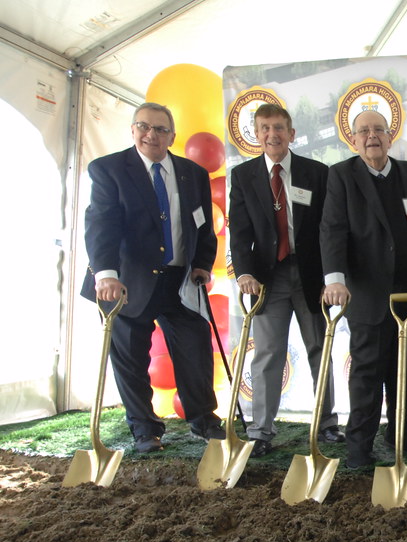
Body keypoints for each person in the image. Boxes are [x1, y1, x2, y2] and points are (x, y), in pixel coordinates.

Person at [80, 102, 223, 453]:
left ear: (172, 136)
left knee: (195, 348)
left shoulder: (193, 174)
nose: (151, 134)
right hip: (127, 282)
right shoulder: (108, 169)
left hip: (179, 281)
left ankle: (203, 420)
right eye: (144, 126)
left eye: (160, 129)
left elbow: (203, 228)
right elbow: (101, 225)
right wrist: (107, 274)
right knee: (129, 356)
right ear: (132, 130)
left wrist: (203, 264)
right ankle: (144, 429)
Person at [320, 110, 407, 469]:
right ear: (354, 140)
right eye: (364, 131)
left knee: (405, 370)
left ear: (390, 137)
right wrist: (335, 280)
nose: (371, 136)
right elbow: (332, 229)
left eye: (378, 130)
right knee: (367, 375)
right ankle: (359, 448)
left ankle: (403, 436)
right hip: (368, 294)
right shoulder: (342, 176)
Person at [228, 104, 341, 458]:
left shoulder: (317, 173)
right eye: (264, 128)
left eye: (279, 127)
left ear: (291, 134)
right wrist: (244, 272)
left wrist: (331, 276)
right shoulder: (243, 175)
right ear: (256, 134)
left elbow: (329, 229)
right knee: (267, 354)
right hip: (267, 279)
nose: (272, 134)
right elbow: (239, 231)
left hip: (311, 277)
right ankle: (261, 431)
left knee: (319, 351)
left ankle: (327, 424)